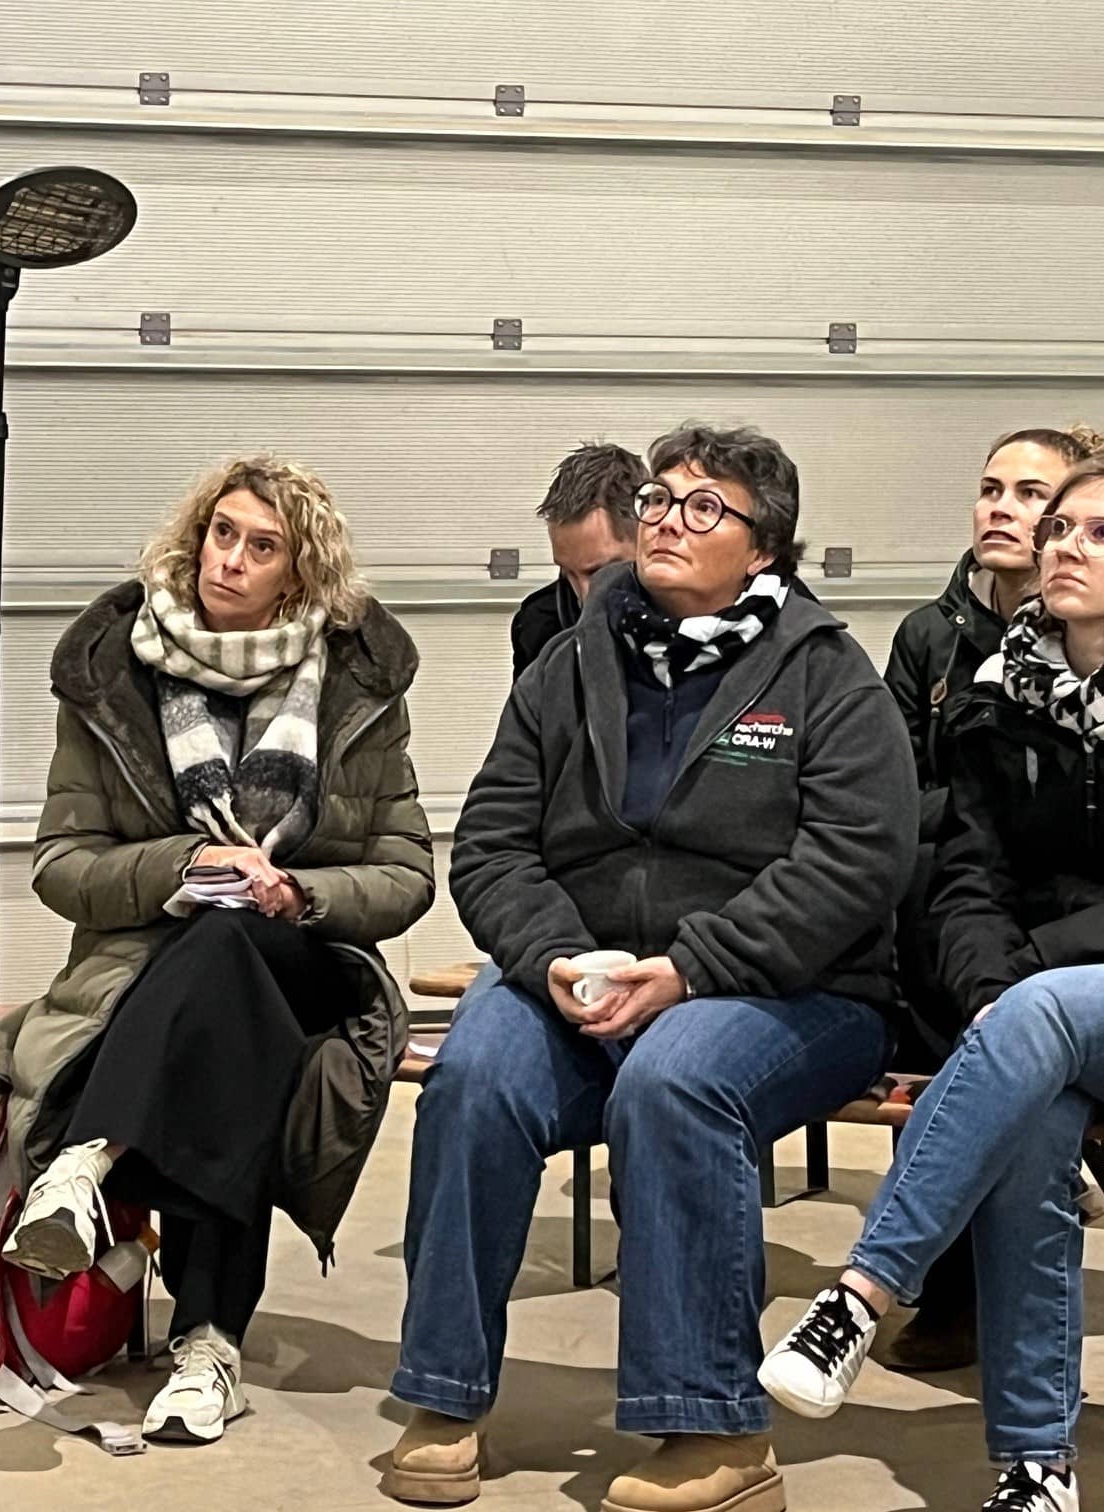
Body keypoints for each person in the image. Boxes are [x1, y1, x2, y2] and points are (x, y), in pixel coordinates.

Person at [384, 424, 916, 1512]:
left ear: (764, 547)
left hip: (792, 990)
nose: (671, 520)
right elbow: (492, 842)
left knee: (679, 1079)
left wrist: (689, 968)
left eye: (705, 507)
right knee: (474, 1076)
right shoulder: (570, 661)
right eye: (662, 501)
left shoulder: (825, 673)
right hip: (583, 972)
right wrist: (554, 959)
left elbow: (857, 861)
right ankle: (444, 1393)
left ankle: (711, 1431)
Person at [761, 451, 1104, 1512]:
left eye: (1103, 533)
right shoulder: (998, 698)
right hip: (1042, 1016)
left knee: (1040, 1022)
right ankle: (1036, 1467)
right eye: (1061, 530)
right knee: (1035, 1124)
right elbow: (965, 876)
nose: (1064, 547)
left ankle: (862, 1293)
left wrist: (1045, 967)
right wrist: (994, 985)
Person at [0, 454, 433, 1446]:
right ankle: (210, 1344)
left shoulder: (356, 688)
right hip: (149, 963)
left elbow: (406, 873)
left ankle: (89, 1155)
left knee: (242, 936)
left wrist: (296, 889)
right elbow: (61, 863)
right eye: (223, 534)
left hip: (311, 959)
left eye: (263, 547)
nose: (232, 561)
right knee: (226, 1009)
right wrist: (184, 862)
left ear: (298, 576)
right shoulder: (115, 675)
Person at [876, 423, 1104, 1373]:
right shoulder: (929, 636)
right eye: (990, 489)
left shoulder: (1103, 644)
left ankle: (968, 1288)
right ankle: (944, 1280)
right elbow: (889, 793)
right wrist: (969, 816)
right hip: (948, 908)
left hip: (1059, 917)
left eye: (1028, 494)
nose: (1002, 509)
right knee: (936, 915)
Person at [511, 442, 649, 677]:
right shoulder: (538, 625)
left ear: (648, 537)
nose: (586, 595)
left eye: (600, 572)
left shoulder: (701, 620)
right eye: (568, 572)